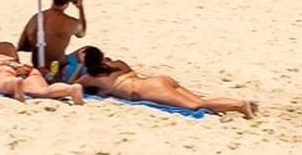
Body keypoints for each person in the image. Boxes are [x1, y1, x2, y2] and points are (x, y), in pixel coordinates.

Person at [76, 45, 256, 118]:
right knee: (199, 100)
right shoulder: (117, 64)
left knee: (196, 105)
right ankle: (239, 104)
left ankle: (240, 105)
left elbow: (72, 84)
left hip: (147, 89)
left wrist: (79, 66)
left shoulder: (90, 78)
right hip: (158, 81)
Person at [0, 17, 84, 105]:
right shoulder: (8, 46)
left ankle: (14, 83)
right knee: (42, 91)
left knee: (1, 84)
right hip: (22, 68)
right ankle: (71, 89)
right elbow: (16, 62)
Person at [18, 0, 87, 78]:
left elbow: (22, 45)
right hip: (59, 69)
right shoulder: (71, 23)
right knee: (86, 51)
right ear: (70, 0)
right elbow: (82, 33)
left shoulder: (37, 18)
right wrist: (80, 8)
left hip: (38, 67)